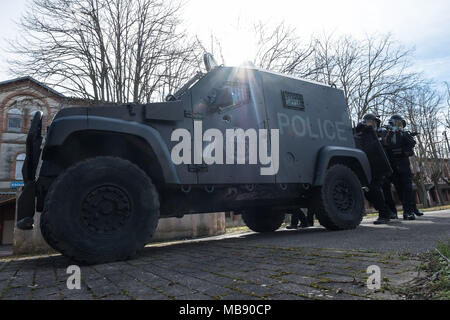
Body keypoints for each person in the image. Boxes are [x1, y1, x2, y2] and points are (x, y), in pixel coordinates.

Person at [354, 114, 394, 225]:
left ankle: (384, 214)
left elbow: (386, 145)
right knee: (367, 191)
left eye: (374, 122)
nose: (371, 124)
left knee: (375, 189)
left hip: (379, 166)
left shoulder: (381, 133)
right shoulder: (362, 133)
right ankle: (386, 211)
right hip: (368, 166)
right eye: (369, 122)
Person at [381, 115, 419, 221]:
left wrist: (405, 134)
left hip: (404, 164)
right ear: (392, 123)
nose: (399, 125)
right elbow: (385, 143)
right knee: (399, 188)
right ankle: (405, 210)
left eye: (400, 123)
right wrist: (391, 132)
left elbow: (411, 144)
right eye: (397, 123)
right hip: (392, 165)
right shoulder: (387, 133)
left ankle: (408, 211)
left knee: (408, 187)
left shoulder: (404, 134)